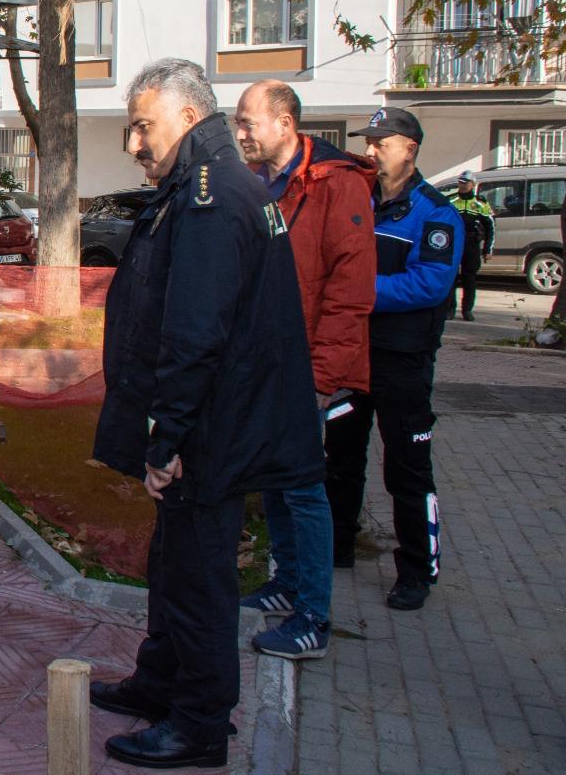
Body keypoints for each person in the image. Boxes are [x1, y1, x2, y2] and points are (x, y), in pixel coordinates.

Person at [90, 60, 319, 770]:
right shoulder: (201, 184)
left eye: (142, 126)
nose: (133, 144)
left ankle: (198, 724)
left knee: (198, 578)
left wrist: (168, 437)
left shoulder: (213, 197)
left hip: (211, 436)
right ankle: (161, 683)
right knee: (172, 564)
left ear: (188, 117)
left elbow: (196, 331)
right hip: (214, 425)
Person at [234, 80, 376, 660]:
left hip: (308, 368)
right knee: (273, 479)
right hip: (266, 362)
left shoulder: (335, 184)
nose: (240, 133)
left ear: (286, 123)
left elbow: (350, 293)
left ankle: (314, 616)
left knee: (303, 489)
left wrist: (321, 378)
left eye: (248, 122)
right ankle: (285, 585)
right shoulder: (263, 183)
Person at [331, 107, 462, 612]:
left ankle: (415, 571)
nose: (369, 151)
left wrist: (359, 292)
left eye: (380, 143)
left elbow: (430, 284)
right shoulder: (360, 201)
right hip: (353, 355)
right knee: (340, 455)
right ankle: (338, 546)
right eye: (369, 141)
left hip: (402, 362)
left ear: (409, 148)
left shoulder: (436, 213)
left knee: (407, 468)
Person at [447, 170, 494, 322]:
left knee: (469, 278)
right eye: (460, 182)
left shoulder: (481, 202)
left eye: (466, 182)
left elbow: (490, 226)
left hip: (472, 243)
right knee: (451, 277)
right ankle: (450, 309)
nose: (462, 185)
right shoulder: (451, 200)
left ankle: (467, 310)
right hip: (454, 243)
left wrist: (488, 249)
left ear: (473, 184)